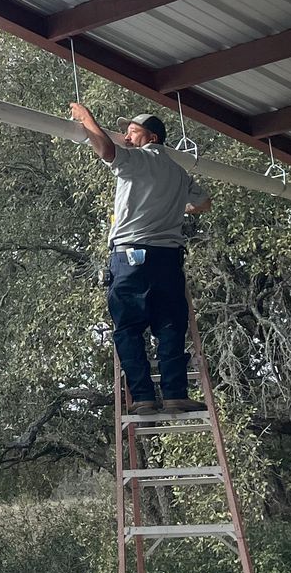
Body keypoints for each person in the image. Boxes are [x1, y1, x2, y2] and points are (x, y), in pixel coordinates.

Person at [68, 103, 212, 414]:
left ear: (152, 138)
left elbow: (106, 150)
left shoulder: (138, 159)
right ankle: (174, 395)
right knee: (170, 326)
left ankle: (144, 398)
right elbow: (203, 203)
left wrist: (85, 118)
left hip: (131, 256)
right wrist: (176, 208)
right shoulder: (178, 173)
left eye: (133, 132)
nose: (128, 138)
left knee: (129, 327)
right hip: (168, 259)